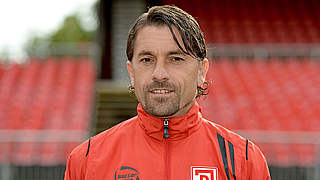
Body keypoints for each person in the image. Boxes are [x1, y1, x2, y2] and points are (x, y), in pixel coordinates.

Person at [64, 5, 270, 180]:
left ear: (201, 71)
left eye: (175, 59)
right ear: (131, 72)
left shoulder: (243, 161)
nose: (159, 74)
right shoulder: (86, 161)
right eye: (147, 60)